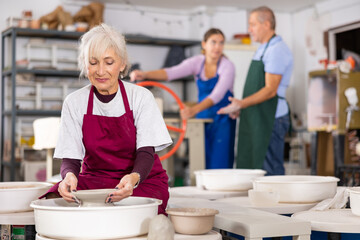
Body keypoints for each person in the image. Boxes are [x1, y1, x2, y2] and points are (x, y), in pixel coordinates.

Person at [42, 23, 172, 215]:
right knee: (54, 200)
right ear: (85, 65)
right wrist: (68, 177)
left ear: (122, 64)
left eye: (109, 62)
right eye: (93, 63)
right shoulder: (74, 102)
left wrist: (133, 178)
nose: (100, 71)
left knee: (137, 211)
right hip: (94, 178)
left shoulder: (141, 97)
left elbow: (146, 152)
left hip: (140, 180)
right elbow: (71, 156)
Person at [130, 28, 236, 169]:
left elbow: (216, 96)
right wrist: (145, 74)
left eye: (221, 43)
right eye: (213, 42)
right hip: (203, 118)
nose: (217, 47)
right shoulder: (197, 62)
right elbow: (171, 73)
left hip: (223, 119)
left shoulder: (227, 66)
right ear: (204, 44)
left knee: (220, 162)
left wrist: (193, 110)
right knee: (202, 160)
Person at [218, 6, 293, 176]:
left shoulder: (276, 50)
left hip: (270, 118)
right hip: (257, 116)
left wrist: (242, 103)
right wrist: (242, 107)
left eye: (252, 24)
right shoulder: (262, 48)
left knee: (269, 171)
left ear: (266, 24)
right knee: (254, 169)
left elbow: (270, 90)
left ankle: (276, 202)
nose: (249, 29)